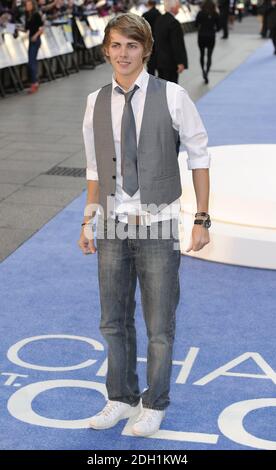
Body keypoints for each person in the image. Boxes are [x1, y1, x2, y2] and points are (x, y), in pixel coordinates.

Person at [79, 12, 211, 437]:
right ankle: (120, 397)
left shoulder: (173, 96)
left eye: (132, 45)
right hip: (113, 225)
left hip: (158, 223)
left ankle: (154, 403)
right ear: (105, 50)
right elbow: (95, 166)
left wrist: (202, 218)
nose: (123, 53)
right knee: (112, 320)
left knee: (159, 327)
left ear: (147, 50)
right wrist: (89, 218)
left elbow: (199, 156)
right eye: (116, 45)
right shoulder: (95, 100)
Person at [154, 0, 188, 83]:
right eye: (177, 6)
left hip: (160, 60)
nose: (179, 7)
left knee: (162, 86)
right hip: (171, 63)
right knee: (172, 87)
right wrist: (180, 62)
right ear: (173, 7)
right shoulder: (174, 23)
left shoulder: (158, 20)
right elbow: (176, 44)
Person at [195, 0, 220, 84]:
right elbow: (219, 27)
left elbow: (195, 24)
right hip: (211, 36)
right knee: (209, 55)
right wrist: (213, 30)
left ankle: (203, 70)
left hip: (201, 35)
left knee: (202, 54)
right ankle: (207, 72)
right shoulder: (215, 14)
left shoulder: (200, 13)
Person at [25, 0, 44, 94]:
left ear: (33, 5)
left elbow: (41, 28)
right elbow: (26, 28)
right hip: (30, 40)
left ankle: (34, 83)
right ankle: (34, 82)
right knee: (32, 62)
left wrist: (35, 36)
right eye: (26, 4)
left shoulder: (36, 15)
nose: (27, 6)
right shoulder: (28, 15)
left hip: (35, 40)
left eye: (28, 4)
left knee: (31, 62)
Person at [142, 0, 161, 75]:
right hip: (159, 41)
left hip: (149, 42)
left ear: (148, 4)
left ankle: (151, 83)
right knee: (160, 64)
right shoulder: (159, 14)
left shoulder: (145, 15)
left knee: (151, 66)